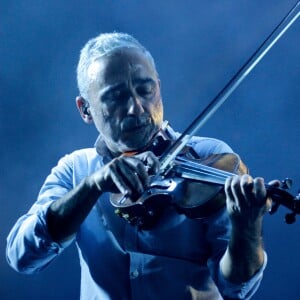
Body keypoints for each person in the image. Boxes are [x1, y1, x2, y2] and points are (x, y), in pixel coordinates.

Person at [6, 32, 275, 300]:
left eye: (146, 90)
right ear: (85, 109)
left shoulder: (211, 158)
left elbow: (237, 290)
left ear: (159, 87)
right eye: (115, 97)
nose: (136, 108)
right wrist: (91, 186)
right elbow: (23, 256)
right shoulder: (76, 170)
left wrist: (247, 229)